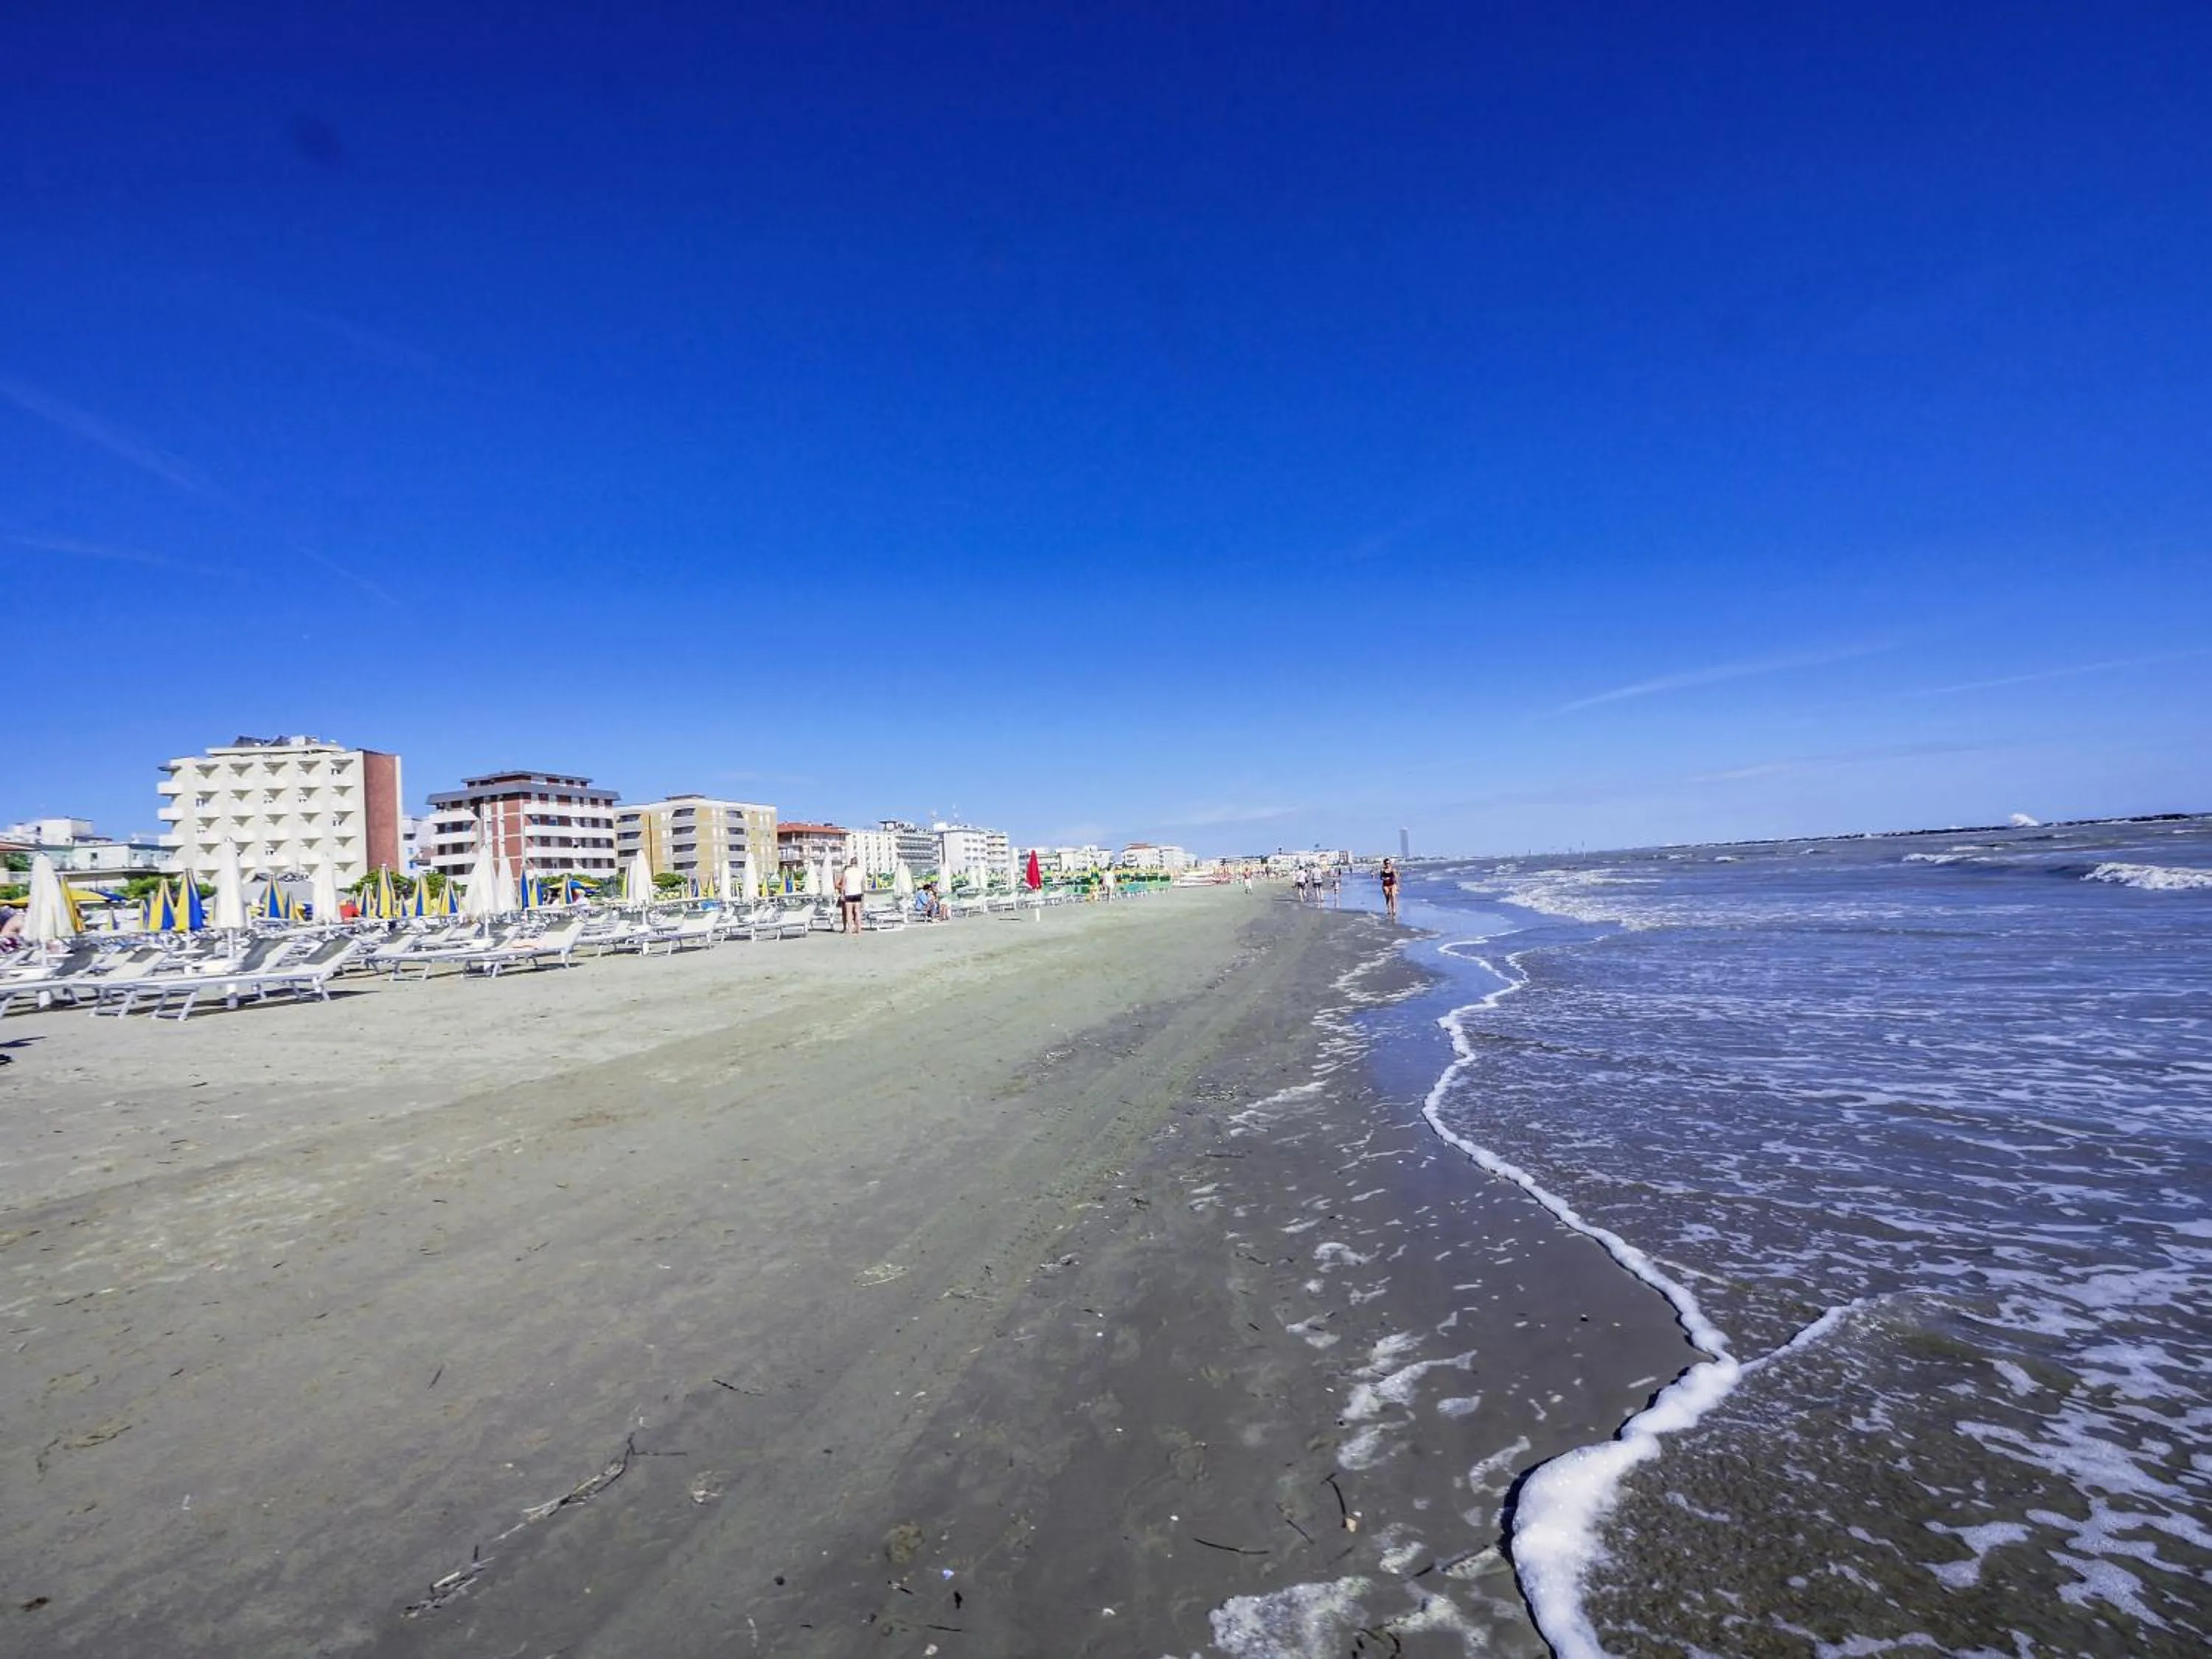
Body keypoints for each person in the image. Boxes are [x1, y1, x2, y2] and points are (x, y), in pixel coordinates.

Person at [839, 855, 866, 935]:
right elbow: (863, 884)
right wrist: (863, 894)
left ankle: (850, 929)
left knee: (849, 913)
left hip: (849, 893)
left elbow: (844, 884)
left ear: (851, 863)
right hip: (858, 893)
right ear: (857, 863)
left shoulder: (847, 872)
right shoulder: (861, 872)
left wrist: (842, 894)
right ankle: (859, 929)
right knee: (858, 912)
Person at [1379, 858, 1400, 922]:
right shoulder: (1382, 870)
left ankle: (1394, 909)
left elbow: (1396, 878)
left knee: (1393, 896)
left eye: (1389, 863)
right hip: (1386, 885)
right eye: (1386, 863)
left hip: (1393, 884)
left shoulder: (1393, 870)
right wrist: (1384, 879)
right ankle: (1388, 908)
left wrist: (1398, 886)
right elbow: (1381, 877)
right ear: (1384, 864)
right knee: (1387, 897)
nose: (1388, 864)